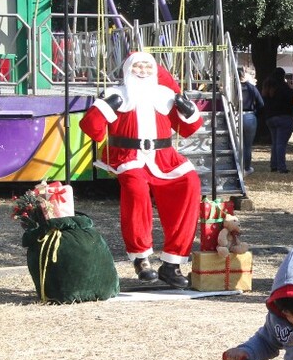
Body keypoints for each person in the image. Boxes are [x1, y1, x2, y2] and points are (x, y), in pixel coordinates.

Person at [78, 51, 203, 287]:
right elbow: (90, 127)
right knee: (136, 189)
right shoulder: (117, 94)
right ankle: (141, 258)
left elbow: (189, 130)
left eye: (148, 67)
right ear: (128, 70)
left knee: (190, 183)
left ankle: (172, 263)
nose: (143, 71)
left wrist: (188, 110)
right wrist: (106, 107)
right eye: (138, 67)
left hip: (163, 156)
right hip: (129, 155)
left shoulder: (164, 95)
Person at [261, 67, 293, 174]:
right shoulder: (285, 89)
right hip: (284, 117)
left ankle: (274, 165)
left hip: (270, 118)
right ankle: (281, 167)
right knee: (281, 143)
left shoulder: (267, 89)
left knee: (275, 142)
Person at [238, 67, 264, 175]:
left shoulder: (233, 87)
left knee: (237, 143)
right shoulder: (251, 87)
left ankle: (237, 165)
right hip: (249, 115)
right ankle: (246, 168)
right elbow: (261, 103)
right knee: (248, 145)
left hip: (236, 115)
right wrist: (255, 112)